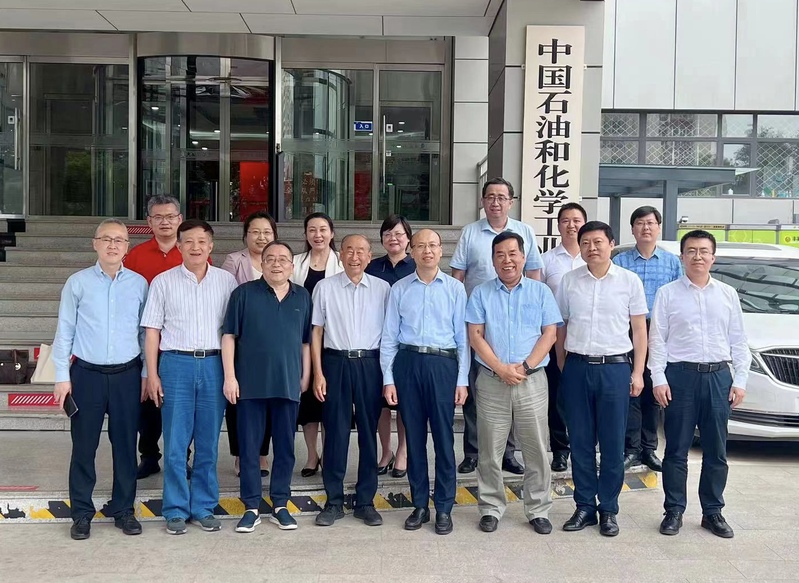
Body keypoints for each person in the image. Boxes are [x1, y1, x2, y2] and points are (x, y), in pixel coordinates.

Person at [649, 230, 750, 539]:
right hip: (680, 377)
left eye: (704, 251)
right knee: (676, 449)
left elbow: (739, 340)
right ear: (682, 257)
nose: (698, 256)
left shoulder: (727, 294)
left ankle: (712, 512)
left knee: (716, 450)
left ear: (713, 257)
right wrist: (658, 378)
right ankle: (674, 510)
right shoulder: (667, 293)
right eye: (691, 251)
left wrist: (740, 380)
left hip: (719, 377)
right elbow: (657, 340)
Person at [52, 219, 148, 541]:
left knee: (126, 446)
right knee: (84, 447)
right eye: (106, 239)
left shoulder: (139, 284)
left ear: (127, 247)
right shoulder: (77, 283)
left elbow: (144, 334)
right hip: (86, 376)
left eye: (119, 240)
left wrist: (146, 373)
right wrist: (62, 377)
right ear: (95, 243)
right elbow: (65, 331)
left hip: (127, 376)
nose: (112, 245)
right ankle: (81, 513)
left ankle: (124, 509)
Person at [141, 219, 237, 535]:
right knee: (175, 443)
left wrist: (231, 374)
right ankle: (175, 509)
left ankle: (204, 507)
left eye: (202, 241)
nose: (196, 247)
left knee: (208, 442)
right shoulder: (163, 282)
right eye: (189, 241)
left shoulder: (226, 281)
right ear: (179, 246)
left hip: (213, 364)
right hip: (175, 364)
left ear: (211, 246)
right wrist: (152, 374)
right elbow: (152, 332)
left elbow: (232, 332)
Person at [555, 221, 648, 537]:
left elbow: (639, 330)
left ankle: (608, 508)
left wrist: (638, 372)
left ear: (611, 244)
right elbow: (561, 326)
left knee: (612, 443)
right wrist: (564, 363)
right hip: (577, 367)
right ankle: (584, 506)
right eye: (585, 243)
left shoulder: (629, 281)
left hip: (615, 369)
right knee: (580, 441)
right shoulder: (569, 281)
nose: (591, 248)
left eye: (598, 242)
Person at [467, 232, 562, 534]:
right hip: (492, 380)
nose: (507, 260)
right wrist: (500, 368)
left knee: (536, 449)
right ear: (493, 260)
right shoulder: (481, 293)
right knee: (489, 451)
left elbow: (550, 334)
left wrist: (525, 366)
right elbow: (475, 336)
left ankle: (538, 509)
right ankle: (491, 507)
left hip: (531, 381)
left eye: (512, 254)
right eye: (500, 255)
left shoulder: (541, 292)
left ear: (523, 257)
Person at [450, 177, 543, 476]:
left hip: (516, 325)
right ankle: (473, 452)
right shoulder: (470, 232)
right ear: (482, 201)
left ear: (511, 202)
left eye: (502, 197)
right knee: (478, 391)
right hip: (479, 322)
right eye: (490, 197)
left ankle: (508, 454)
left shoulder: (525, 231)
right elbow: (458, 276)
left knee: (513, 384)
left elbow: (535, 274)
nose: (495, 202)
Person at [381, 228, 469, 535]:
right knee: (414, 438)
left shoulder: (455, 289)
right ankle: (419, 504)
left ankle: (444, 506)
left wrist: (462, 380)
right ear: (412, 251)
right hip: (408, 364)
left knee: (444, 439)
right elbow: (389, 337)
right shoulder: (400, 289)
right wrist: (389, 379)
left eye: (432, 245)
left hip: (443, 365)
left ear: (441, 250)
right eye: (420, 246)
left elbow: (463, 340)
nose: (427, 251)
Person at [222, 240, 312, 534]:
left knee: (285, 448)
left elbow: (305, 342)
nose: (276, 263)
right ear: (261, 264)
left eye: (283, 259)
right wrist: (230, 377)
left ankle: (280, 504)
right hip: (250, 386)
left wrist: (305, 376)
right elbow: (229, 337)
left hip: (287, 384)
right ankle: (251, 506)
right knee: (249, 449)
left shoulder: (302, 296)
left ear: (292, 266)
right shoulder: (243, 293)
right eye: (270, 258)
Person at [313, 235, 391, 527]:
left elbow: (391, 334)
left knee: (369, 432)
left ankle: (365, 501)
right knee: (335, 432)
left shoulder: (383, 289)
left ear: (370, 256)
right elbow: (316, 332)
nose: (355, 257)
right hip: (335, 363)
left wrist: (388, 375)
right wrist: (318, 373)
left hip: (371, 363)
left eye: (361, 252)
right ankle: (333, 502)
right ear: (341, 255)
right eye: (349, 251)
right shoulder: (324, 287)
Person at [124, 195, 189, 480]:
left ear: (180, 219)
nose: (165, 222)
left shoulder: (191, 252)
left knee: (180, 407)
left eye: (170, 216)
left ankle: (182, 457)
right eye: (159, 217)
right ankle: (149, 456)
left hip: (180, 343)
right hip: (144, 342)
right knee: (147, 406)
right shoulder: (136, 256)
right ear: (149, 222)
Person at [614, 206, 682, 473]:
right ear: (632, 229)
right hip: (628, 329)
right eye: (640, 223)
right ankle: (631, 449)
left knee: (654, 389)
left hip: (659, 330)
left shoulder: (671, 262)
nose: (646, 227)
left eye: (651, 223)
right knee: (631, 387)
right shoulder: (621, 261)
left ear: (659, 227)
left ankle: (649, 449)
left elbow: (677, 298)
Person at [221, 211, 278, 478]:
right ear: (245, 235)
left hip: (271, 343)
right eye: (255, 231)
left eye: (267, 232)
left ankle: (262, 454)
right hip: (241, 343)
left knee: (268, 402)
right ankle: (241, 454)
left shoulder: (279, 259)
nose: (261, 237)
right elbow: (226, 299)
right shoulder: (234, 261)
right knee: (239, 402)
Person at [291, 212, 344, 477]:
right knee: (308, 403)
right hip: (301, 339)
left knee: (329, 401)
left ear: (331, 233)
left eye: (323, 229)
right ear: (305, 234)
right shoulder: (294, 262)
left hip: (333, 341)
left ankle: (328, 453)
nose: (318, 234)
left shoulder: (342, 262)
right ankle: (312, 455)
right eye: (312, 229)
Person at [365, 214, 415, 479]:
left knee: (405, 403)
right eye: (387, 234)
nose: (393, 238)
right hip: (377, 344)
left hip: (405, 345)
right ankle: (386, 451)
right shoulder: (372, 267)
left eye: (398, 234)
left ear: (408, 238)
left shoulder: (417, 267)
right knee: (381, 405)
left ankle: (403, 451)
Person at [541, 202, 586, 473]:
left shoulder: (594, 258)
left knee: (582, 399)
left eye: (576, 220)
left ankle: (583, 447)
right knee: (556, 398)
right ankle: (559, 450)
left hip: (586, 339)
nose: (571, 225)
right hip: (554, 337)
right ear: (558, 225)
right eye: (566, 220)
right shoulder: (547, 260)